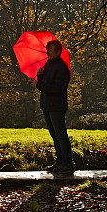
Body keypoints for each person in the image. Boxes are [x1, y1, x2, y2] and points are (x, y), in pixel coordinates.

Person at [35, 39, 75, 175]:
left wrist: (41, 84)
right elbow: (44, 84)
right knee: (54, 134)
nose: (48, 52)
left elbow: (58, 88)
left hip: (56, 106)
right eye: (48, 50)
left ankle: (68, 163)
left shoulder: (62, 68)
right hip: (47, 104)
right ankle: (59, 161)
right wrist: (40, 77)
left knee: (61, 134)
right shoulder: (48, 65)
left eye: (51, 50)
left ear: (58, 51)